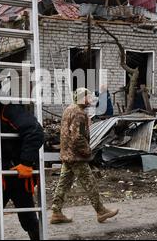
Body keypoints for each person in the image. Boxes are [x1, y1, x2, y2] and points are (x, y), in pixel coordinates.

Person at [0, 104, 45, 240]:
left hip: (15, 175)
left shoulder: (9, 109)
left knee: (27, 219)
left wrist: (26, 163)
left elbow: (35, 131)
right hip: (2, 175)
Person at [50, 88, 119, 224]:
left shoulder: (69, 109)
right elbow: (78, 137)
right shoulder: (79, 114)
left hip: (67, 155)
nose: (91, 98)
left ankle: (56, 212)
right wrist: (87, 151)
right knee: (90, 183)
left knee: (63, 184)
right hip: (77, 157)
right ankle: (101, 211)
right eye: (88, 96)